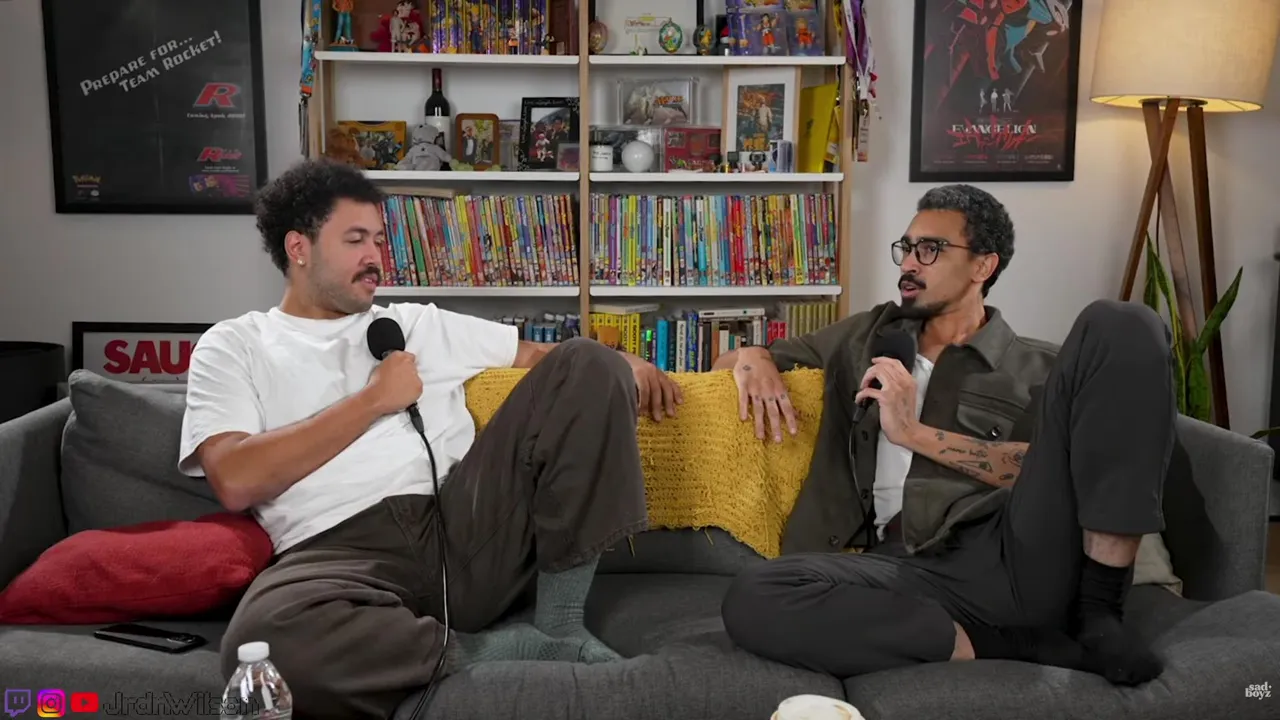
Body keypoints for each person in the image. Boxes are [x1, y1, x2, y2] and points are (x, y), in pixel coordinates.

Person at [178, 159, 682, 720]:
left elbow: (547, 360)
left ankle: (561, 628)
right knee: (259, 647)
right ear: (299, 247)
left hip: (465, 525)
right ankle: (488, 651)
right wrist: (373, 400)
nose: (375, 256)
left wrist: (627, 363)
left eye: (379, 239)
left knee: (588, 361)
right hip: (334, 555)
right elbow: (235, 479)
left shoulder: (417, 323)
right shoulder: (235, 344)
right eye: (355, 240)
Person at [714, 184, 1172, 687]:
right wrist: (754, 357)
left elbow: (1056, 475)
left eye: (930, 249)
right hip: (907, 571)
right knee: (755, 593)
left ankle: (1101, 613)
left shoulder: (1037, 367)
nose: (910, 264)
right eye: (907, 248)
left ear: (983, 266)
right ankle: (1017, 645)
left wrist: (912, 432)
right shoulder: (863, 338)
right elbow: (725, 363)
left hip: (1013, 552)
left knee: (1123, 320)